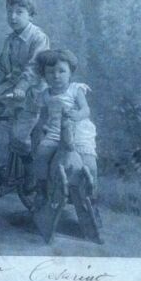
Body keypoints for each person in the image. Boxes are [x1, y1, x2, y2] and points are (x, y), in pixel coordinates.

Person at [0, 0, 50, 180]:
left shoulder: (38, 38)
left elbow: (34, 68)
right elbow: (1, 69)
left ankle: (29, 171)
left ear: (31, 14)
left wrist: (21, 88)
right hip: (10, 90)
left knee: (18, 137)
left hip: (30, 94)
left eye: (19, 12)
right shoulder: (10, 39)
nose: (13, 17)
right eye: (10, 12)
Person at [32, 49, 99, 213]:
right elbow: (42, 118)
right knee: (41, 155)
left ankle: (92, 199)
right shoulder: (45, 94)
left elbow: (86, 110)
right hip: (55, 131)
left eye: (61, 71)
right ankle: (41, 189)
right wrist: (39, 134)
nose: (56, 76)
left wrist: (77, 115)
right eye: (50, 72)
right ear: (44, 74)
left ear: (70, 73)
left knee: (90, 164)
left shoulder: (76, 89)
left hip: (78, 131)